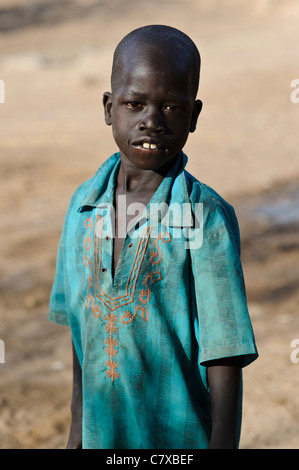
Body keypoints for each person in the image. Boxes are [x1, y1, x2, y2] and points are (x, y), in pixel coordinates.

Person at [49, 24, 258, 449]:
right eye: (135, 103)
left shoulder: (204, 216)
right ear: (110, 108)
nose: (152, 122)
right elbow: (80, 330)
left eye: (172, 108)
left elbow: (224, 354)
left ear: (193, 116)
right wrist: (76, 431)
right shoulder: (82, 208)